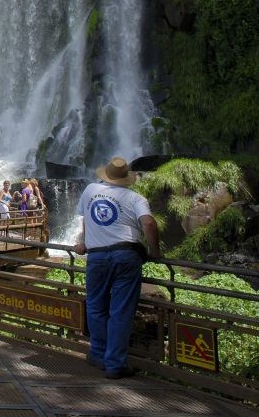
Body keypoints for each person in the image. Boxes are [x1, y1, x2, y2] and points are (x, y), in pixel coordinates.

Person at [74, 157, 161, 380]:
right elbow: (149, 224)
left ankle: (98, 354)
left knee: (95, 306)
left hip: (97, 256)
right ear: (126, 179)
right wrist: (154, 250)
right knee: (120, 310)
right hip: (126, 255)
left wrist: (84, 241)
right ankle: (115, 363)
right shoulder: (135, 198)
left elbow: (86, 220)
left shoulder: (90, 190)